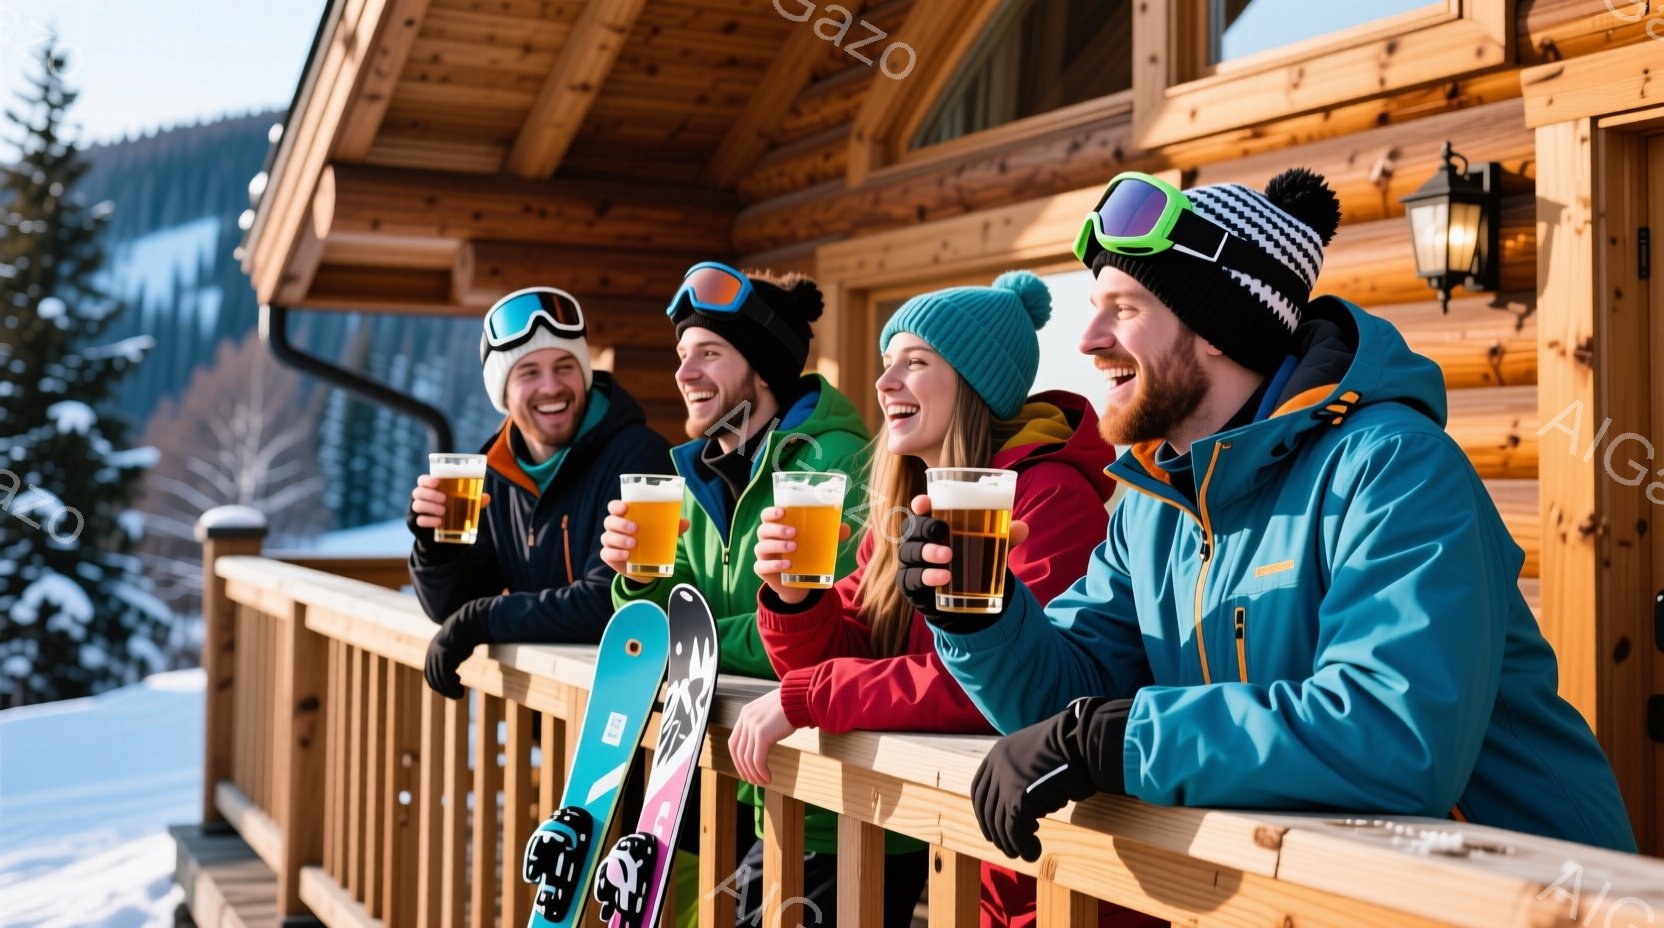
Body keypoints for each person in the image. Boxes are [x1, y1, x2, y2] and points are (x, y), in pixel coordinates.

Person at [895, 168, 1636, 860]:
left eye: (1123, 309)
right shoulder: (1153, 503)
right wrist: (981, 621)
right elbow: (1067, 700)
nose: (1089, 341)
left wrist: (1116, 739)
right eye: (1095, 310)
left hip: (1513, 891)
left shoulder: (1393, 469)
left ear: (1216, 326)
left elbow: (1394, 738)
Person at [730, 271, 1158, 927]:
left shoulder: (1049, 499)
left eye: (916, 362)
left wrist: (809, 696)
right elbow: (851, 644)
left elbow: (993, 684)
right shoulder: (911, 504)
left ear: (975, 384)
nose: (885, 382)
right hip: (981, 858)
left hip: (1068, 872)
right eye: (886, 363)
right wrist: (794, 602)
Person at [597, 261, 871, 927]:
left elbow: (820, 635)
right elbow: (661, 628)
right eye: (682, 356)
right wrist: (635, 580)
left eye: (710, 355)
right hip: (720, 775)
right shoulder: (692, 475)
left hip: (827, 794)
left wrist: (700, 645)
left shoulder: (834, 465)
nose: (684, 374)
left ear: (764, 369)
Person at [409, 286, 671, 699]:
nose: (551, 386)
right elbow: (450, 607)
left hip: (634, 711)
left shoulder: (640, 459)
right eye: (529, 372)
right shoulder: (497, 471)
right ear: (503, 392)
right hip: (551, 714)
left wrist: (480, 619)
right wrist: (435, 548)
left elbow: (609, 606)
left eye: (565, 366)